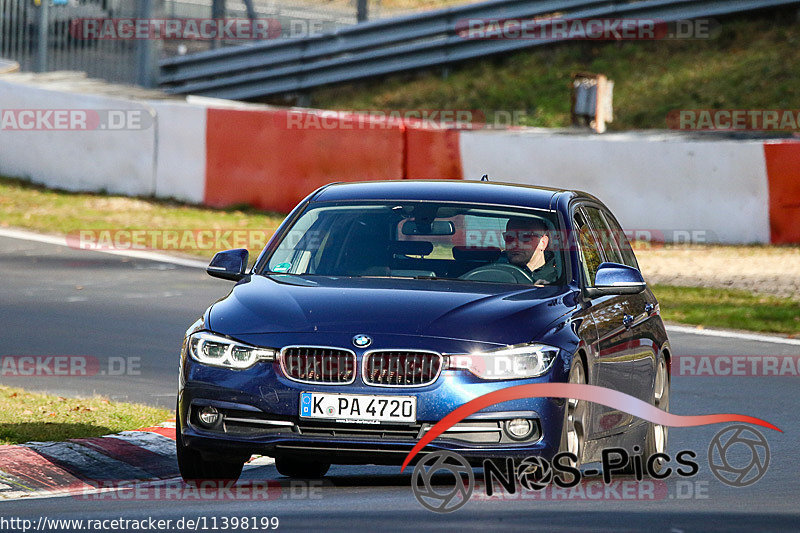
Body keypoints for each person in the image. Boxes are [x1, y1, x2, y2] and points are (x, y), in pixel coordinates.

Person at [502, 217, 558, 284]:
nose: (514, 243)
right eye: (509, 237)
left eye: (525, 237)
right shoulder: (494, 274)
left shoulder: (559, 280)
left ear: (543, 243)